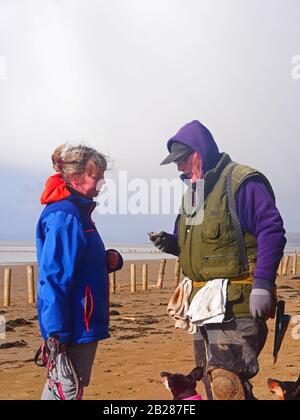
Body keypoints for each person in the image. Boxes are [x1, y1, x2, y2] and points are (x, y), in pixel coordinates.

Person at [150, 120, 286, 400]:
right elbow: (205, 250)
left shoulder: (241, 182)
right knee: (214, 383)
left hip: (238, 304)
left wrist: (262, 283)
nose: (178, 167)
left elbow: (271, 230)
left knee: (226, 383)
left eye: (182, 159)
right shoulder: (193, 195)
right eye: (175, 162)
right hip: (204, 307)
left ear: (200, 152)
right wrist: (174, 245)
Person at [36, 144, 123, 400]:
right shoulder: (66, 215)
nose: (102, 182)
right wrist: (56, 332)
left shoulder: (78, 212)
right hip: (72, 325)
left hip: (78, 320)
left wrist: (109, 260)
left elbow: (76, 262)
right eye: (95, 176)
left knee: (67, 387)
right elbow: (54, 279)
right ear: (74, 177)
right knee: (66, 389)